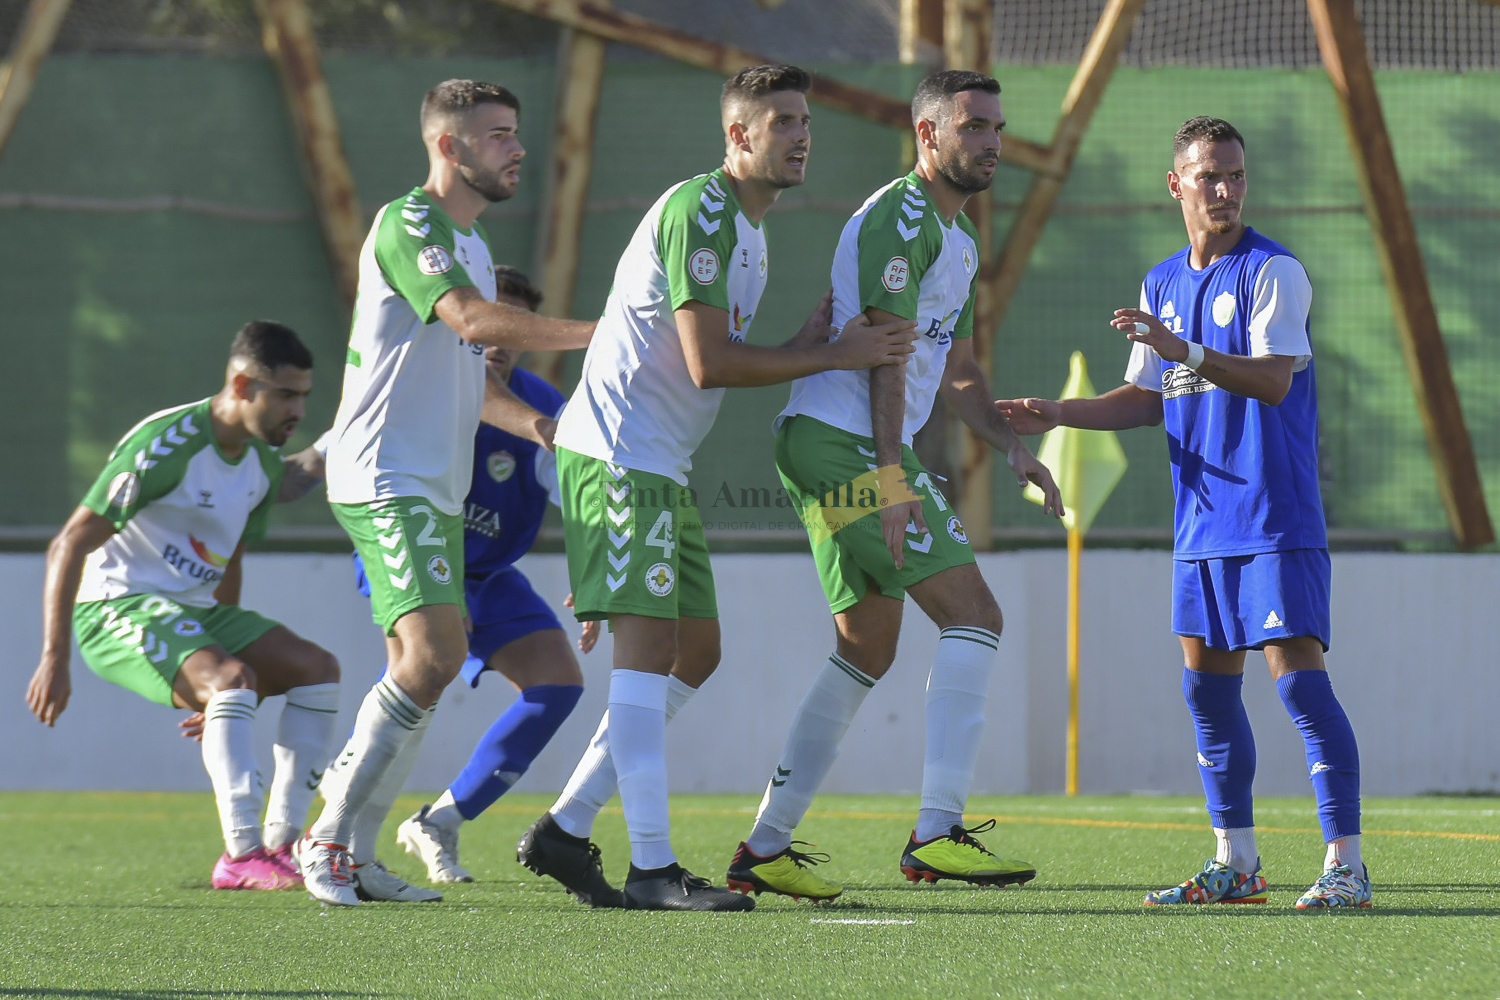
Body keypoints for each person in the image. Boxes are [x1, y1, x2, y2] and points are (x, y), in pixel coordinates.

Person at [515, 63, 919, 912]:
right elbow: (707, 365)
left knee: (696, 651)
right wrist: (832, 354)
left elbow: (713, 356)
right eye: (782, 122)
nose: (802, 135)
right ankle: (653, 871)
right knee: (646, 657)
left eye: (805, 121)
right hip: (620, 459)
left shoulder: (750, 234)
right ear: (738, 135)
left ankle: (565, 829)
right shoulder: (701, 211)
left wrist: (807, 341)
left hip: (658, 467)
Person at [996, 116, 1368, 909]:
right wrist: (1058, 412)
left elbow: (1272, 381)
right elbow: (1147, 397)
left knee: (1301, 689)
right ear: (1177, 185)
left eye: (1236, 175)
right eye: (1209, 177)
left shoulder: (1273, 271)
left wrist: (1186, 351)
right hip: (1202, 527)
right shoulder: (1162, 282)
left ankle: (1347, 865)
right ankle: (1237, 863)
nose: (1226, 190)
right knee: (1208, 695)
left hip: (1271, 520)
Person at [721, 70, 1062, 904]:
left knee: (866, 647)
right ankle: (937, 833)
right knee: (975, 614)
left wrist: (1012, 447)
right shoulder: (899, 219)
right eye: (973, 126)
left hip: (830, 447)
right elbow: (883, 354)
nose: (991, 142)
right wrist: (890, 476)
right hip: (845, 447)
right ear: (927, 135)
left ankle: (765, 846)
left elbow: (959, 370)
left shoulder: (960, 238)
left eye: (997, 127)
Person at [295, 79, 596, 907]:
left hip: (430, 487)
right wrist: (604, 333)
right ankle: (325, 841)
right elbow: (472, 321)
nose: (517, 148)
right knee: (432, 655)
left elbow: (473, 376)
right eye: (498, 134)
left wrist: (539, 427)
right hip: (384, 475)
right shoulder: (412, 223)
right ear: (447, 146)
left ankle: (358, 851)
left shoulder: (469, 242)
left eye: (516, 132)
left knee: (422, 666)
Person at [24, 321, 341, 892]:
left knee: (317, 669)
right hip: (117, 607)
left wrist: (220, 672)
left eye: (303, 396)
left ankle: (283, 844)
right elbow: (68, 542)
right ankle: (241, 855)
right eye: (285, 395)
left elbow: (230, 556)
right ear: (242, 386)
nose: (297, 410)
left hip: (195, 614)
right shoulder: (166, 445)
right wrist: (54, 656)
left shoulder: (261, 463)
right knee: (232, 679)